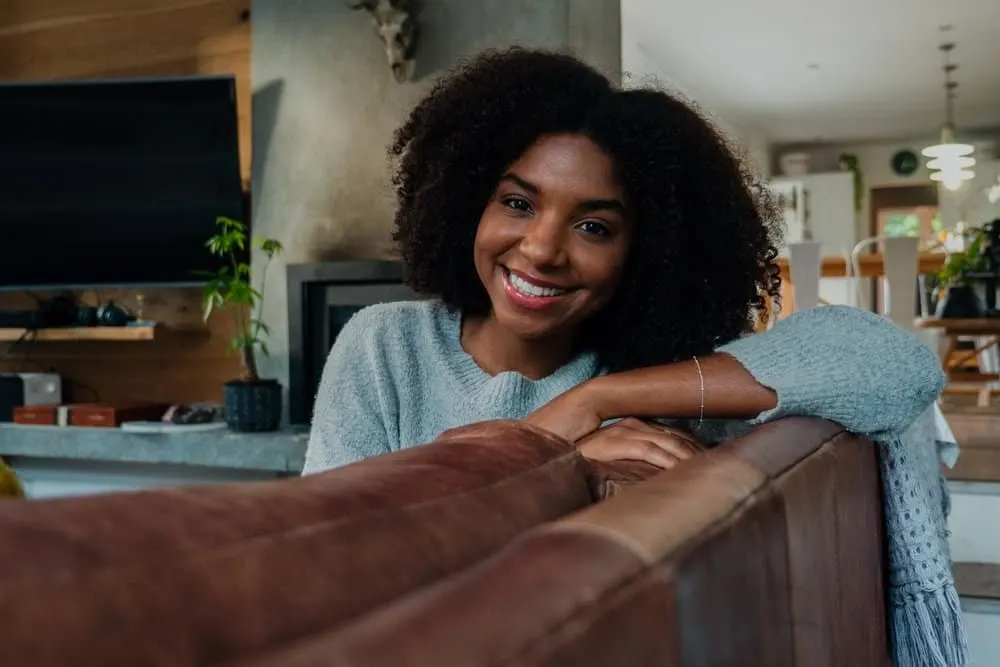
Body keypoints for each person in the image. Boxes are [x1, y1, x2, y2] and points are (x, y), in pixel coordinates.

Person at [303, 48, 965, 666]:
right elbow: (322, 561)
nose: (541, 248)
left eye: (594, 226)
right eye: (517, 202)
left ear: (646, 253)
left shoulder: (656, 381)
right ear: (467, 198)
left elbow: (896, 368)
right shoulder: (383, 344)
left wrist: (595, 400)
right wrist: (543, 458)